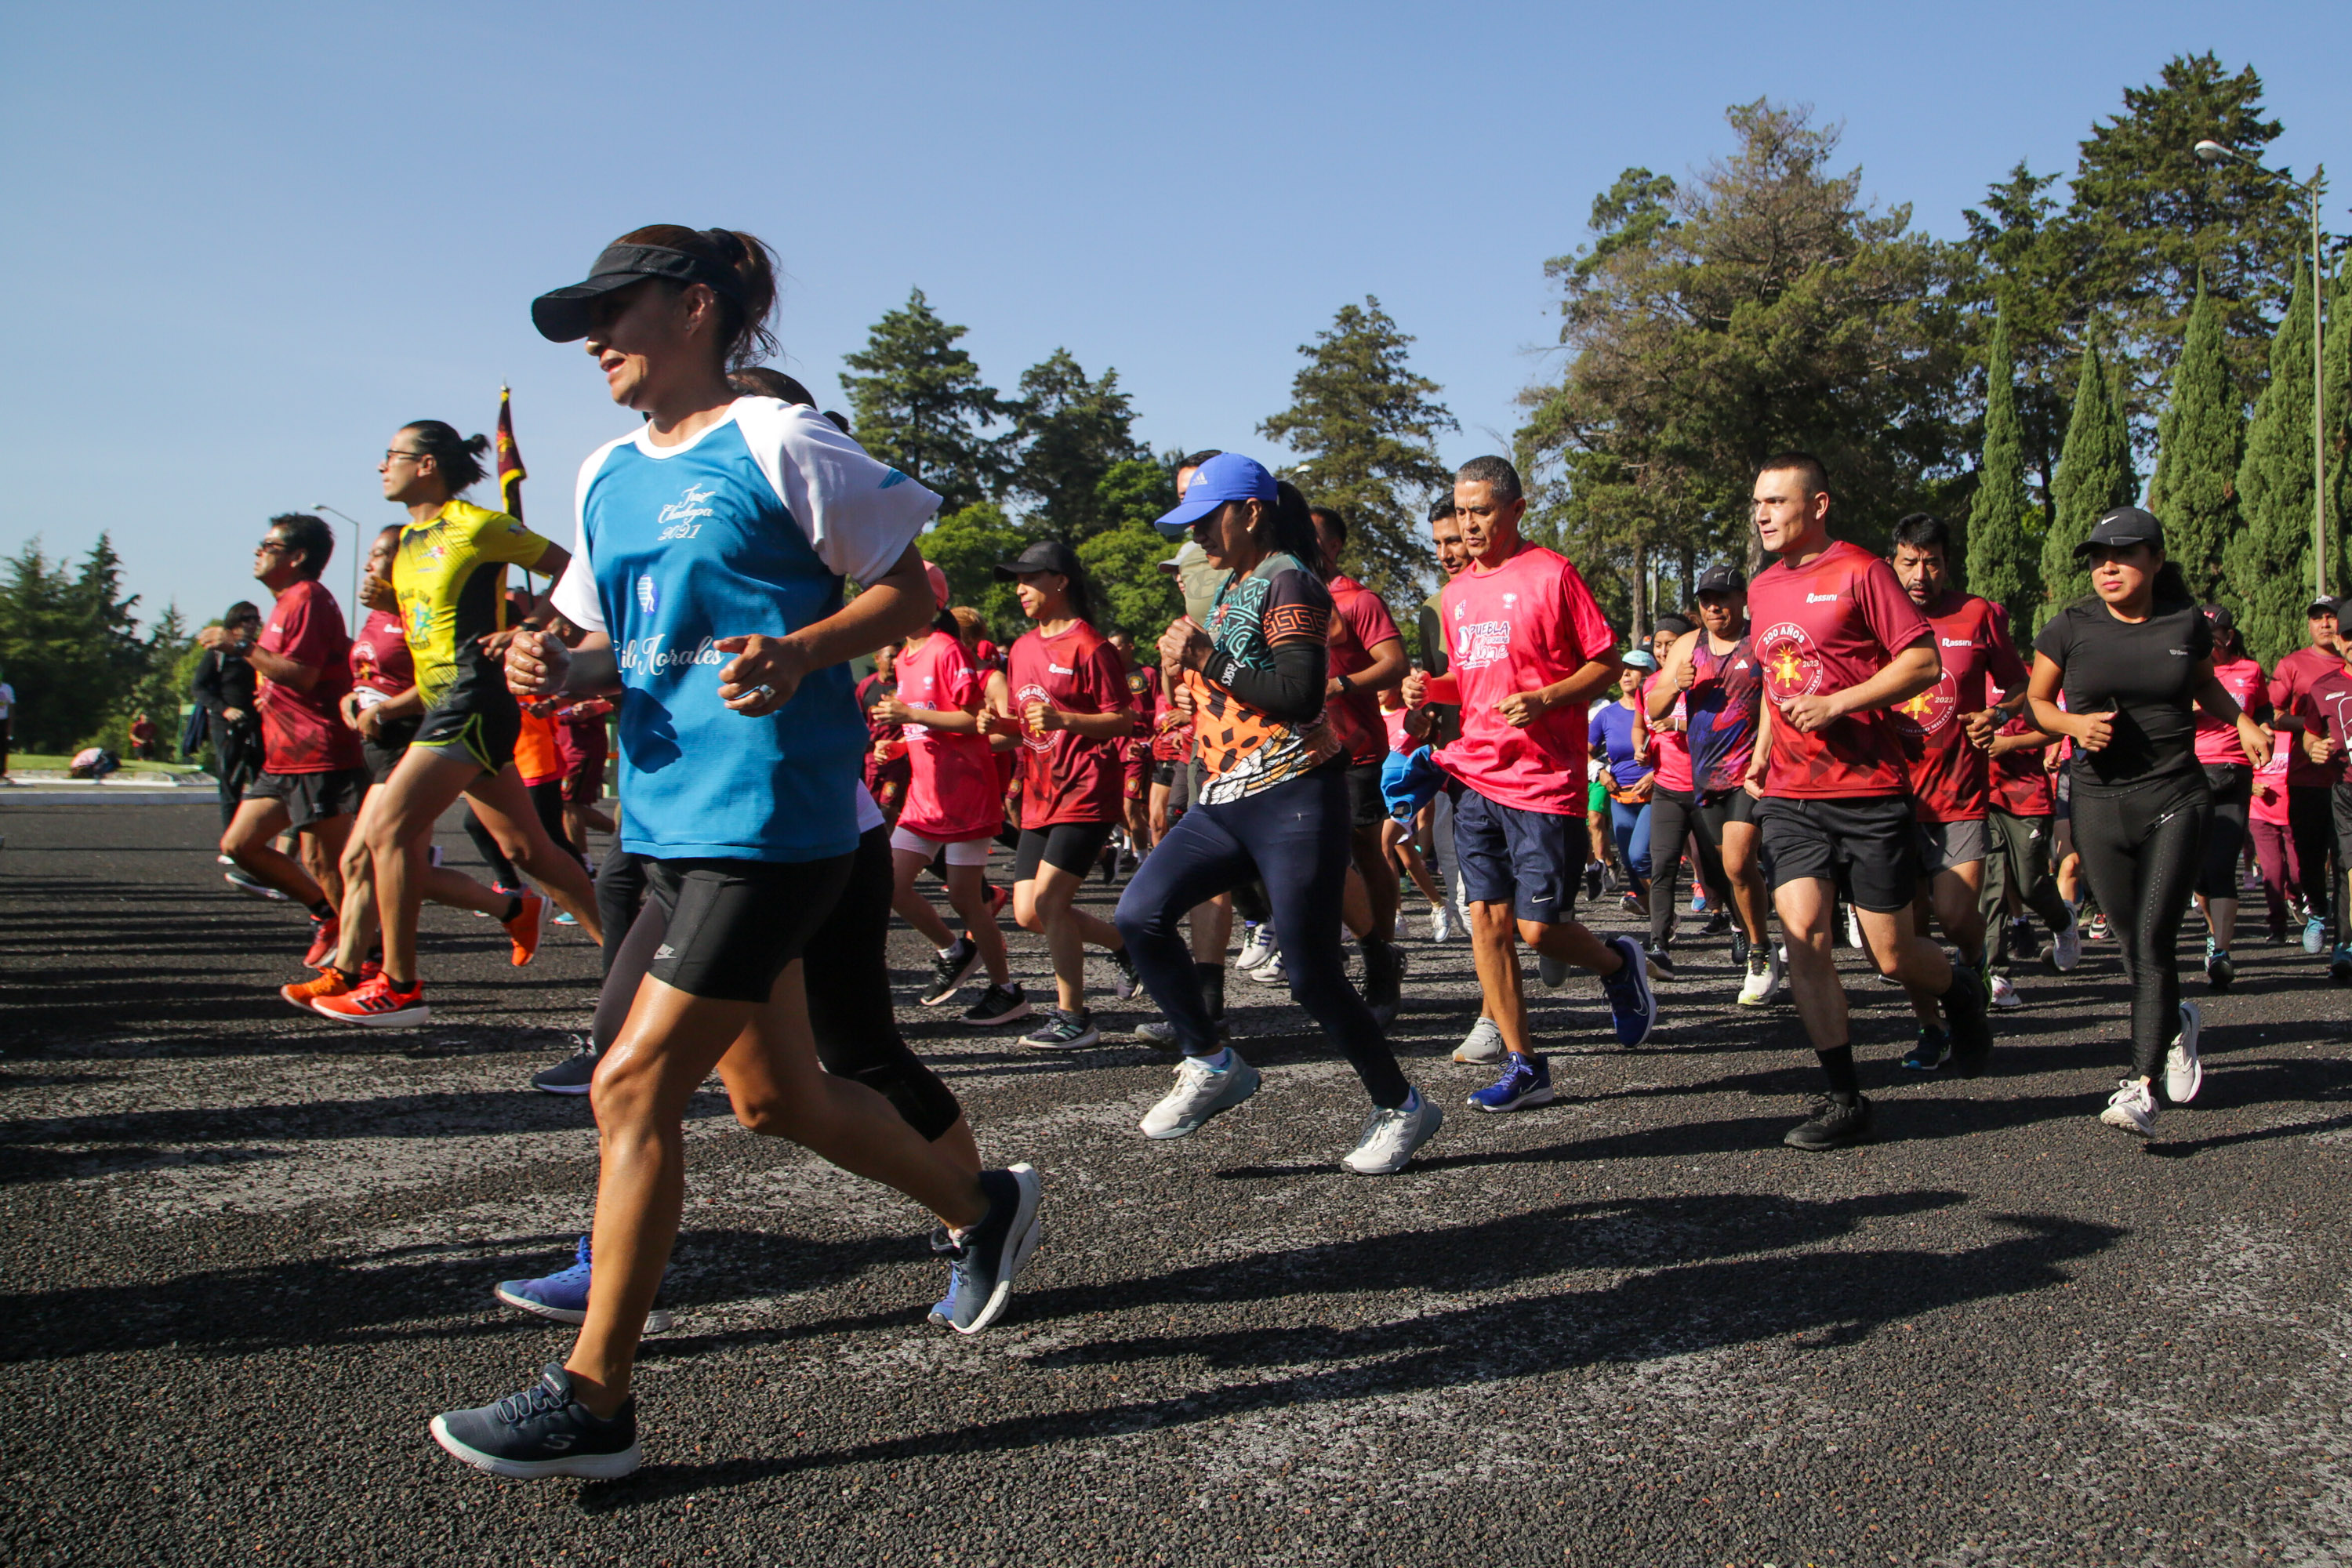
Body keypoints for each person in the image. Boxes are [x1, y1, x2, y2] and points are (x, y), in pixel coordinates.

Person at [434, 223, 1040, 1481]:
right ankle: (985, 1206)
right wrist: (556, 666)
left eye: (616, 311)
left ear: (696, 309)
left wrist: (802, 652)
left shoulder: (780, 440)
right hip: (663, 823)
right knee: (778, 1100)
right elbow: (619, 646)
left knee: (631, 1086)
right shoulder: (607, 473)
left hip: (772, 822)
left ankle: (595, 1400)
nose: (595, 340)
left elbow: (913, 595)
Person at [1115, 454, 1440, 1173]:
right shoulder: (1234, 582)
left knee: (1312, 975)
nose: (1198, 535)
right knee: (1137, 914)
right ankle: (1211, 1060)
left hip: (1296, 794)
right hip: (1228, 797)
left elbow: (1298, 693)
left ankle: (1402, 1106)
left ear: (1251, 511)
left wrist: (1206, 658)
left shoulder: (1291, 577)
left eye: (1207, 519)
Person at [307, 422, 602, 1025]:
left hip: (475, 699)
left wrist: (533, 629)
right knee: (529, 849)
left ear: (427, 465)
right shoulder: (409, 540)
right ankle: (629, 955)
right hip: (440, 705)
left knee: (387, 834)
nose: (381, 465)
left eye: (392, 455)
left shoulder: (479, 525)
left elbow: (573, 568)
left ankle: (399, 985)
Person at [1740, 455, 1992, 1150]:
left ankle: (1961, 991)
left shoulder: (1861, 571)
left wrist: (1840, 703)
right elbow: (1776, 676)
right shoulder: (1761, 589)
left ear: (1818, 505)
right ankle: (1845, 1097)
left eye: (1776, 501)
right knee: (1806, 935)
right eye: (1757, 502)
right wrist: (1764, 748)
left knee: (1891, 954)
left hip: (1869, 788)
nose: (1761, 513)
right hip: (1792, 793)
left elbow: (1922, 663)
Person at [1401, 455, 1657, 1115]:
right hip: (1474, 772)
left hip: (1544, 779)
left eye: (1482, 511)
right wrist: (1430, 689)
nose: (1470, 525)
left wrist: (1547, 698)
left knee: (1538, 929)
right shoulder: (1455, 596)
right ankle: (1526, 1064)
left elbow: (1604, 661)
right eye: (1463, 512)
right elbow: (1474, 679)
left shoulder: (1553, 574)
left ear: (1516, 510)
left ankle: (1618, 965)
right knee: (1485, 921)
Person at [2029, 507, 2270, 1135]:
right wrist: (2073, 725)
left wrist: (2241, 720)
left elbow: (2205, 686)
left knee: (2155, 937)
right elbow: (2035, 703)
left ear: (2156, 561)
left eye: (2125, 553)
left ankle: (2138, 1087)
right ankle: (2176, 1022)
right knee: (2134, 945)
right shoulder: (2070, 627)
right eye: (2098, 556)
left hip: (2175, 795)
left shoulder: (2185, 622)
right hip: (2098, 801)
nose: (2107, 566)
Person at [285, 526, 524, 1011]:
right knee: (526, 850)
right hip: (386, 746)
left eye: (381, 555)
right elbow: (369, 674)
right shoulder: (376, 616)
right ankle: (515, 909)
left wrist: (388, 710)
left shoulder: (418, 609)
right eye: (371, 554)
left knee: (371, 855)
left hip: (419, 739)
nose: (369, 564)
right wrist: (354, 699)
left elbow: (445, 675)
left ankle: (384, 978)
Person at [1880, 514, 2033, 1070]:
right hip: (1889, 799)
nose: (1921, 574)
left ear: (1948, 562)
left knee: (1954, 913)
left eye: (1933, 562)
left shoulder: (1978, 614)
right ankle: (1930, 1029)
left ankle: (1974, 966)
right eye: (1910, 562)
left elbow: (2020, 685)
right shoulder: (1872, 620)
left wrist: (1996, 714)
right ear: (1892, 562)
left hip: (1960, 795)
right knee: (1908, 930)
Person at [989, 540, 1141, 1047]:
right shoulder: (1024, 648)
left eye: (1030, 578)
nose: (1020, 589)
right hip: (1040, 790)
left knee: (1051, 902)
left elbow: (1124, 718)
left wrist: (1065, 719)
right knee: (1028, 912)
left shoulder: (1090, 647)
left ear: (1060, 582)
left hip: (1088, 787)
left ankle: (1074, 1018)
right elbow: (1025, 728)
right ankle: (1126, 945)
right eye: (1017, 580)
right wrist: (993, 727)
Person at [199, 514, 368, 965]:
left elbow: (304, 676)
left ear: (297, 557)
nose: (259, 551)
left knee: (329, 865)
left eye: (269, 545)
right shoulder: (284, 602)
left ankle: (369, 959)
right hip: (284, 757)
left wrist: (239, 646)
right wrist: (266, 694)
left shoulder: (307, 597)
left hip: (317, 751)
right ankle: (327, 917)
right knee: (239, 846)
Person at [870, 567, 1029, 1025]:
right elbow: (926, 728)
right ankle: (953, 950)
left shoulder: (947, 649)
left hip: (965, 791)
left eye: (902, 595)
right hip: (924, 795)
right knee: (892, 884)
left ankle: (1006, 990)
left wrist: (908, 711)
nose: (892, 604)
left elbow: (972, 720)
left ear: (932, 602)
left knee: (965, 898)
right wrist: (899, 743)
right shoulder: (903, 658)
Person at [1646, 564, 1780, 1005]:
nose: (1714, 607)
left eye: (1723, 598)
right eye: (1706, 599)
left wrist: (1762, 756)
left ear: (1742, 598)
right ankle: (1762, 941)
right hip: (1704, 776)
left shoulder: (1759, 640)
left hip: (1750, 771)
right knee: (1730, 870)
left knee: (1740, 863)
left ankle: (1759, 952)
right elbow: (1653, 704)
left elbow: (1776, 702)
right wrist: (1674, 687)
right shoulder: (1689, 645)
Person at [1978, 706, 2082, 1004]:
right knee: (1991, 885)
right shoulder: (1966, 676)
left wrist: (2009, 744)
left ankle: (2063, 922)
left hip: (2026, 797)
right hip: (1981, 796)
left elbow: (2059, 729)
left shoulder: (2028, 685)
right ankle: (1996, 974)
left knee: (2030, 887)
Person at [2191, 604, 2270, 989]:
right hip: (2190, 772)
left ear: (2228, 635)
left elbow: (2265, 713)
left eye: (2215, 633)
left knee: (2223, 862)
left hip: (2234, 772)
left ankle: (2221, 950)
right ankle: (2211, 930)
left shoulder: (2251, 670)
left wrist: (2264, 734)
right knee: (2199, 870)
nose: (2210, 640)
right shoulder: (2186, 671)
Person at [2267, 595, 2345, 953]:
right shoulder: (2294, 665)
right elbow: (2275, 714)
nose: (2325, 624)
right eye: (2318, 618)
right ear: (2310, 625)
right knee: (2308, 859)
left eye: (2331, 617)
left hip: (2344, 779)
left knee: (2345, 858)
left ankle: (2344, 937)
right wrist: (2315, 728)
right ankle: (2317, 909)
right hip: (2306, 775)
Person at [1589, 651, 1657, 909]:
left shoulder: (1660, 708)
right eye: (1623, 669)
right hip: (1621, 798)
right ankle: (1656, 913)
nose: (1626, 674)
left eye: (1634, 668)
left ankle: (1665, 911)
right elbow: (1584, 750)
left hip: (1656, 794)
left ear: (1649, 675)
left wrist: (1654, 774)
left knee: (1640, 856)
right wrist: (1600, 772)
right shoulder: (1606, 715)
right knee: (1629, 860)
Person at [191, 601, 264, 837]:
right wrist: (224, 710)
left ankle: (255, 838)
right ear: (234, 622)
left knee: (263, 780)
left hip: (258, 722)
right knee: (231, 781)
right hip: (228, 725)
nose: (253, 623)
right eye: (247, 619)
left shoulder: (259, 650)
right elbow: (199, 688)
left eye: (256, 618)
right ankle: (231, 839)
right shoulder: (218, 653)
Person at [0, 665, 13, 782]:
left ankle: (2, 771)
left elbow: (11, 706)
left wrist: (10, 725)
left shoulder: (7, 688)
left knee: (3, 747)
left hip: (2, 720)